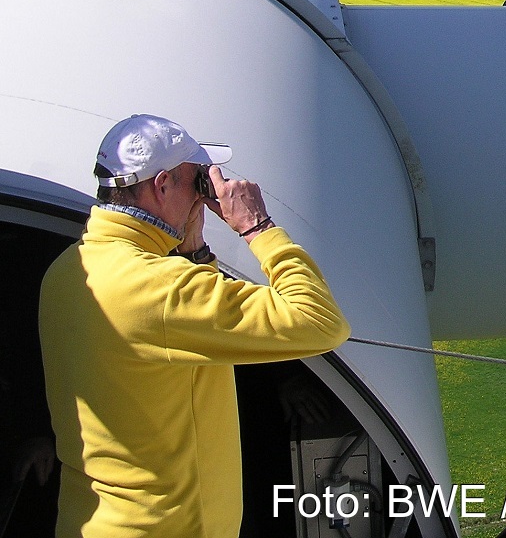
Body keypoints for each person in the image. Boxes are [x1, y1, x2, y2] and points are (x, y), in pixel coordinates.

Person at [39, 114, 351, 538]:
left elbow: (173, 343)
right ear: (162, 184)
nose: (204, 196)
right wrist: (257, 227)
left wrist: (195, 255)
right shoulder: (160, 288)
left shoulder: (67, 271)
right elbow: (319, 323)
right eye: (197, 182)